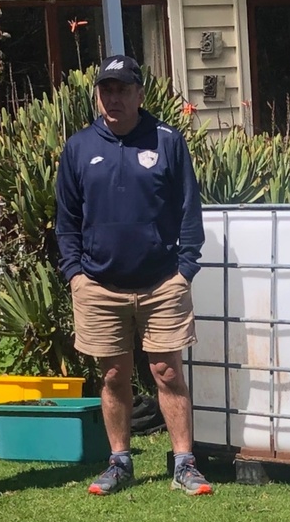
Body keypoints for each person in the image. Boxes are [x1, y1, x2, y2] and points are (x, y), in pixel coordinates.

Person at [55, 55, 210, 496]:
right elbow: (66, 220)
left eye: (123, 89)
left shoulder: (167, 141)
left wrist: (185, 269)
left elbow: (188, 211)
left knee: (166, 372)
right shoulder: (79, 148)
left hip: (162, 282)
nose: (114, 98)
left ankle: (184, 463)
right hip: (99, 285)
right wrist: (75, 276)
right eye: (107, 89)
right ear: (98, 95)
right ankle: (119, 462)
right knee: (113, 376)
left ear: (140, 94)